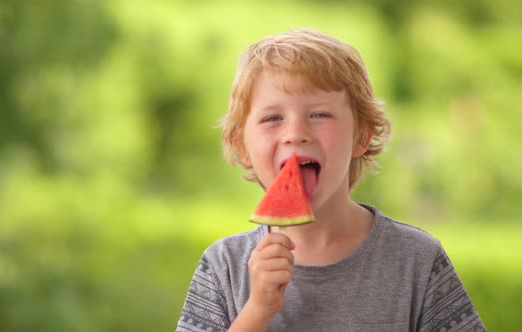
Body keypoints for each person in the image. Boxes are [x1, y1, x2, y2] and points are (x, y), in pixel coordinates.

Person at [176, 28, 486, 332]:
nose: (295, 133)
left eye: (320, 115)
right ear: (243, 147)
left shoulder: (416, 260)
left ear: (361, 136)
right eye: (273, 118)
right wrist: (256, 311)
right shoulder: (224, 266)